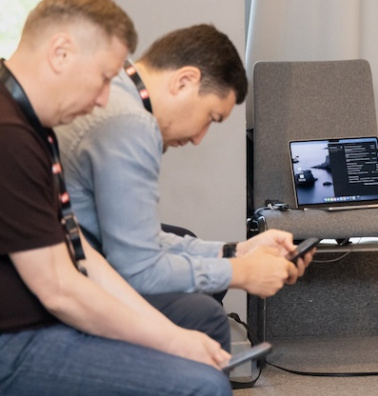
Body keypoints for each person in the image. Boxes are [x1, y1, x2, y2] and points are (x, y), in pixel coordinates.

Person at [0, 0, 232, 396]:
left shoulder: (30, 123)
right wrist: (174, 341)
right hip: (14, 341)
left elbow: (80, 253)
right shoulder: (10, 135)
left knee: (195, 350)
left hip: (32, 322)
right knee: (203, 386)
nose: (103, 98)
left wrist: (170, 334)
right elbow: (60, 290)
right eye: (105, 78)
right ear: (61, 54)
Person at [57, 23, 310, 352]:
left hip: (83, 245)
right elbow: (139, 269)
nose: (198, 138)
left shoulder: (119, 89)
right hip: (73, 269)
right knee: (205, 315)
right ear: (184, 81)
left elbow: (143, 238)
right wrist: (241, 272)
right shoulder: (131, 124)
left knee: (187, 242)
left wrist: (236, 252)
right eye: (210, 117)